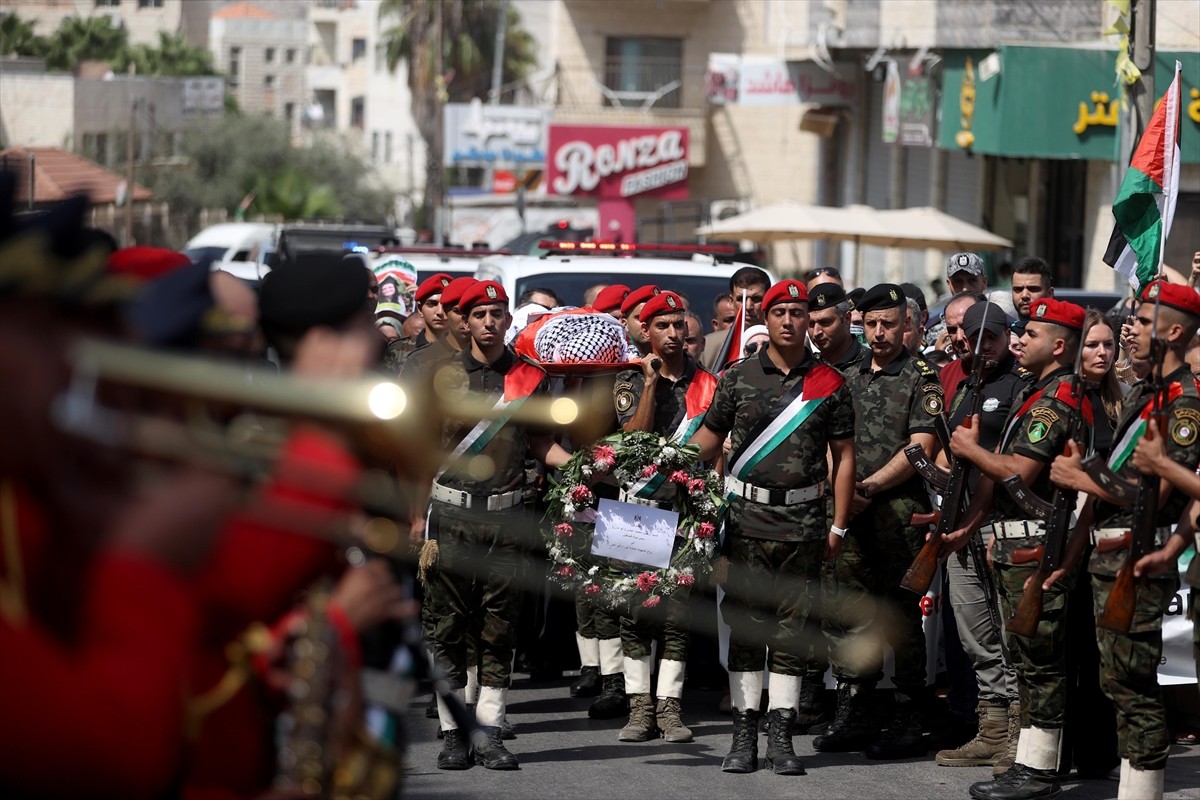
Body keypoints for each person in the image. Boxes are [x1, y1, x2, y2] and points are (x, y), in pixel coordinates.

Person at [690, 279, 856, 777]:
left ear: (809, 320)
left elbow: (845, 458)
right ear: (768, 317)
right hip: (742, 523)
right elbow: (708, 441)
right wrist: (660, 472)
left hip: (803, 525)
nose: (788, 320)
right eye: (778, 311)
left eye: (797, 312)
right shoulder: (739, 378)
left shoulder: (829, 382)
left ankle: (781, 735)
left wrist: (839, 527)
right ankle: (744, 733)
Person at [1050, 281, 1200, 800]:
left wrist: (1081, 478)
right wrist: (1072, 555)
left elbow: (1152, 494)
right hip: (1105, 551)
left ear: (1174, 331)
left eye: (1141, 319)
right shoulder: (1142, 393)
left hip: (1139, 554)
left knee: (1132, 684)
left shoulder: (1186, 405)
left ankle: (1142, 791)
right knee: (1113, 678)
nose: (1128, 328)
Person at [414, 279, 572, 771]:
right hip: (451, 515)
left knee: (500, 627)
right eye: (480, 313)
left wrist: (592, 468)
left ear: (507, 320)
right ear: (465, 319)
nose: (489, 322)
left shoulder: (530, 377)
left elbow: (545, 445)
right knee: (448, 627)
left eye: (497, 313)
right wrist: (415, 515)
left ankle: (488, 729)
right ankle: (453, 731)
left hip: (508, 517)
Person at [946, 297, 1091, 800]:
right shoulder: (1037, 392)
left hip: (1039, 543)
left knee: (1041, 662)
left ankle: (1039, 770)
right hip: (1019, 542)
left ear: (1057, 345)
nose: (1019, 340)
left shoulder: (1056, 400)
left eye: (1030, 334)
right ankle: (1030, 761)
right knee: (1028, 660)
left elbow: (1021, 472)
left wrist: (969, 451)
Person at [816, 283, 943, 760]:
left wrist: (867, 488)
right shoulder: (845, 375)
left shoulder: (921, 376)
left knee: (901, 617)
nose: (880, 332)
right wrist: (845, 490)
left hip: (896, 516)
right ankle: (858, 709)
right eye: (871, 324)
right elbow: (830, 440)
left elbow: (921, 447)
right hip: (849, 515)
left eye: (889, 323)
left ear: (906, 324)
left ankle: (911, 714)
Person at [610, 291, 718, 744]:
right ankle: (639, 708)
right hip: (635, 508)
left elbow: (718, 450)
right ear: (645, 332)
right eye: (663, 326)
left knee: (677, 615)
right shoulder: (628, 380)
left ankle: (670, 708)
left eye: (679, 326)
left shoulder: (709, 385)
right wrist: (651, 383)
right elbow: (632, 439)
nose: (674, 335)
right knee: (634, 613)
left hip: (685, 510)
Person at [931, 301, 1031, 775]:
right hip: (958, 522)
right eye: (978, 337)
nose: (986, 346)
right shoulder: (963, 386)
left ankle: (1016, 733)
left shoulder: (1019, 385)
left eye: (995, 337)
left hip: (995, 525)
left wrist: (972, 522)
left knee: (1009, 633)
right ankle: (990, 730)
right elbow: (954, 456)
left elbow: (1003, 466)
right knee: (974, 633)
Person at [702, 268, 772, 372]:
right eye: (741, 299)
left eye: (756, 299)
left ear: (768, 300)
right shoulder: (709, 347)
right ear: (731, 301)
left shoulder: (783, 342)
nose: (748, 306)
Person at [808, 282, 870, 374]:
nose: (816, 332)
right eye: (811, 324)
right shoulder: (806, 368)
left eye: (825, 322)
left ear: (847, 319)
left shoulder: (871, 364)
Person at [621, 284, 662, 359]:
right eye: (640, 318)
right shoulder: (618, 359)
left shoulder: (679, 361)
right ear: (625, 324)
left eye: (652, 317)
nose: (646, 323)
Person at [1009, 257, 1054, 323]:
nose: (1024, 295)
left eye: (1033, 289)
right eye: (1018, 289)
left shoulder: (1062, 331)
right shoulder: (1004, 331)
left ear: (1050, 294)